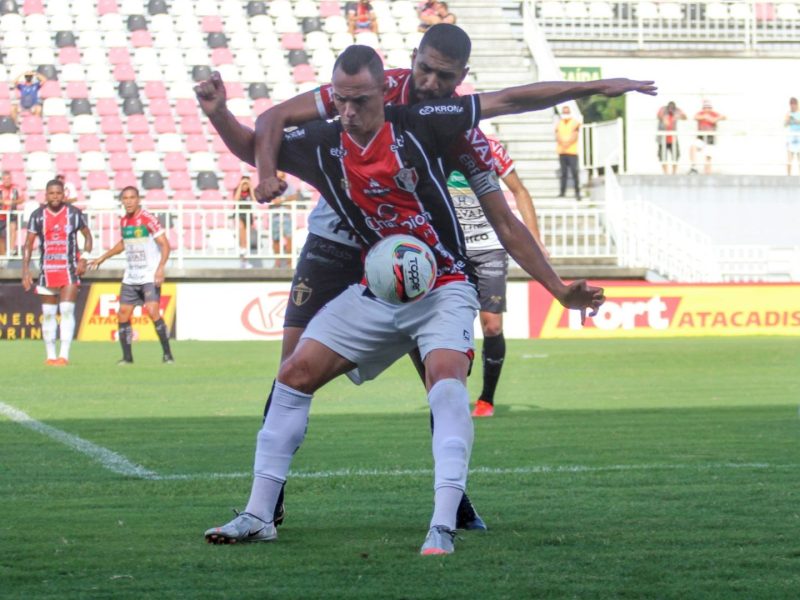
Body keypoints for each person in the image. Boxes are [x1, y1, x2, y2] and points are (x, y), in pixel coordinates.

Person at [197, 23, 655, 536]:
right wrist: (260, 166)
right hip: (335, 241)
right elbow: (275, 119)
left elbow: (507, 152)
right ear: (410, 59)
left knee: (440, 374)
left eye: (445, 76)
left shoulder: (451, 126)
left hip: (414, 261)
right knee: (293, 368)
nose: (432, 82)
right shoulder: (367, 89)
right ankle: (265, 507)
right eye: (425, 69)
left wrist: (591, 88)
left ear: (461, 77)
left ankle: (451, 504)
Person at [448, 138, 545, 418]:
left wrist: (535, 240)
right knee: (452, 324)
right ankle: (451, 391)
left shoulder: (489, 147)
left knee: (491, 326)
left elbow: (519, 190)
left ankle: (486, 400)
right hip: (452, 247)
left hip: (490, 246)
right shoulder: (436, 141)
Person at [87, 187, 174, 365]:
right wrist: (103, 257)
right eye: (125, 198)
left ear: (138, 199)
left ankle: (167, 354)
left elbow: (165, 244)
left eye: (132, 197)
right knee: (122, 314)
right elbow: (123, 244)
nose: (128, 201)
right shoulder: (124, 221)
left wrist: (160, 268)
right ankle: (127, 357)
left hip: (149, 275)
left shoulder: (148, 219)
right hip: (131, 276)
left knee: (152, 311)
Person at [21, 179, 93, 366]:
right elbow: (28, 244)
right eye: (51, 193)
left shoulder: (74, 214)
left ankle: (64, 355)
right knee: (48, 313)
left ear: (64, 195)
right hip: (47, 270)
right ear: (46, 195)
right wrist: (26, 270)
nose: (55, 197)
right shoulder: (37, 216)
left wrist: (84, 258)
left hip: (69, 269)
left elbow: (88, 237)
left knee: (67, 310)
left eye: (58, 193)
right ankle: (50, 356)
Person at [269, 171, 299, 267]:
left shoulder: (289, 186)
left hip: (286, 216)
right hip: (275, 216)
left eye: (281, 177)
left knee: (288, 238)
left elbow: (295, 196)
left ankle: (289, 262)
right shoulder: (272, 186)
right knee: (275, 239)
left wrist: (282, 200)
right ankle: (277, 261)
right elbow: (270, 199)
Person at [689, 99, 725, 174]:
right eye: (705, 107)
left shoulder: (714, 114)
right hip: (701, 137)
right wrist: (705, 117)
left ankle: (708, 174)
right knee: (693, 147)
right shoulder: (701, 114)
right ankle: (694, 167)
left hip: (710, 138)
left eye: (709, 107)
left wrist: (715, 119)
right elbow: (695, 117)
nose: (707, 109)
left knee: (707, 158)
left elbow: (724, 117)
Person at [556, 105, 581, 200]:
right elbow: (557, 135)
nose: (565, 114)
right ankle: (562, 192)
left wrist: (567, 143)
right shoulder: (559, 123)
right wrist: (563, 143)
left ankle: (577, 192)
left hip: (572, 152)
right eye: (564, 112)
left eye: (567, 112)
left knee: (575, 172)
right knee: (564, 173)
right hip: (562, 151)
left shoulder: (574, 123)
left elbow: (575, 135)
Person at [656, 101, 686, 175]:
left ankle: (673, 173)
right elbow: (659, 115)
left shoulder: (676, 111)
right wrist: (664, 119)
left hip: (673, 138)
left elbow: (685, 117)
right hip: (662, 139)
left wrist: (678, 115)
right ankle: (666, 173)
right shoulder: (663, 109)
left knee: (675, 156)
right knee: (663, 156)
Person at [232, 175, 255, 267]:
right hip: (239, 214)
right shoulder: (237, 190)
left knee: (245, 237)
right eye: (244, 183)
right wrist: (240, 186)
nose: (245, 186)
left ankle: (244, 255)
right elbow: (236, 200)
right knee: (241, 229)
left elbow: (254, 200)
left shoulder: (250, 192)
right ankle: (242, 251)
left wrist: (251, 187)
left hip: (248, 215)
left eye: (246, 184)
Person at [1, 170, 21, 257]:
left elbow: (22, 199)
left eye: (8, 178)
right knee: (1, 236)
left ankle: (11, 249)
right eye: (5, 179)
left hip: (12, 214)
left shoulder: (15, 188)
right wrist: (3, 202)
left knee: (13, 227)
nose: (7, 181)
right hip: (1, 215)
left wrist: (13, 202)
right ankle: (3, 254)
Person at [784, 97, 800, 175]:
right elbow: (785, 124)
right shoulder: (788, 113)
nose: (793, 106)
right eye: (791, 105)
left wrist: (797, 121)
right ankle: (788, 175)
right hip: (791, 137)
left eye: (794, 104)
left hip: (799, 137)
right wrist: (789, 120)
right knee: (789, 159)